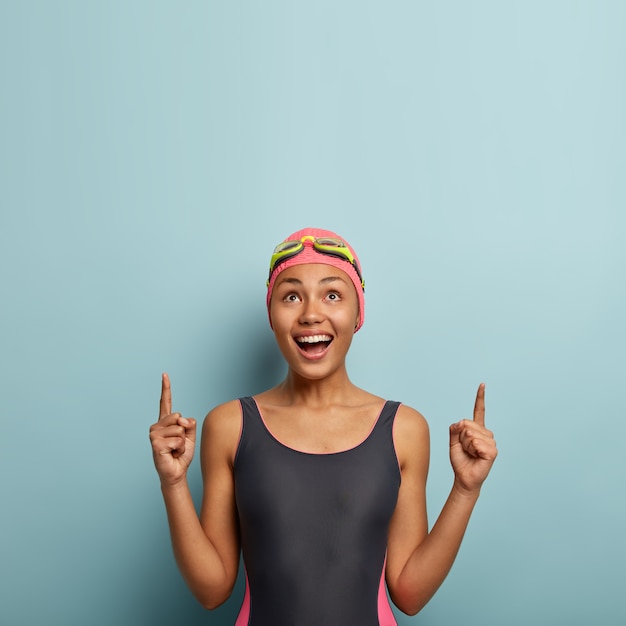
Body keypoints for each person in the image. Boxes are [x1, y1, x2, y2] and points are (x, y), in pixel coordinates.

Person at [149, 227, 497, 625]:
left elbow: (409, 593)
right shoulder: (230, 425)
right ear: (271, 315)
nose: (311, 313)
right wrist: (173, 485)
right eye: (291, 296)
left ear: (358, 312)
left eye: (332, 294)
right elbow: (212, 591)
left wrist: (465, 490)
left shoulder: (403, 428)